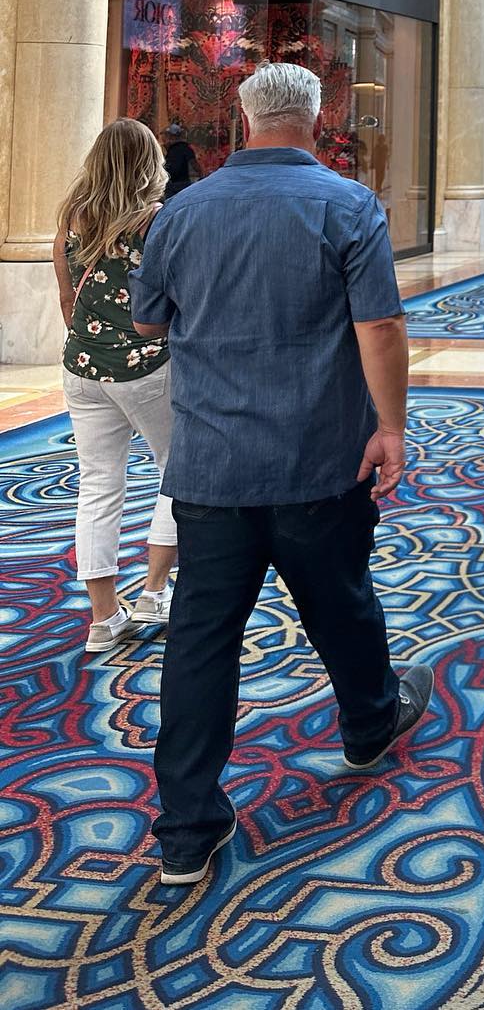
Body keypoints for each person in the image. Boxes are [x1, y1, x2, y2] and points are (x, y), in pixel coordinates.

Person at [130, 62, 434, 888]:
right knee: (340, 602)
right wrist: (391, 428)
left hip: (212, 467)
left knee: (201, 640)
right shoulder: (348, 204)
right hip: (317, 458)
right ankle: (369, 724)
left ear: (243, 119)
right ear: (317, 119)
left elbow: (148, 320)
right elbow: (380, 325)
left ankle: (186, 827)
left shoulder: (182, 210)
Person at [52, 119, 176, 654]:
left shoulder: (71, 219)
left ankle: (104, 617)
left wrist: (94, 345)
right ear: (149, 165)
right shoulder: (155, 222)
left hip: (81, 367)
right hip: (146, 367)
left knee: (98, 485)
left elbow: (67, 301)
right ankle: (153, 592)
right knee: (177, 468)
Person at [161, 123, 199, 200]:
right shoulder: (184, 148)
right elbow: (194, 164)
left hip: (176, 183)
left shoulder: (174, 150)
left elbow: (194, 164)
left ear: (172, 136)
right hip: (182, 183)